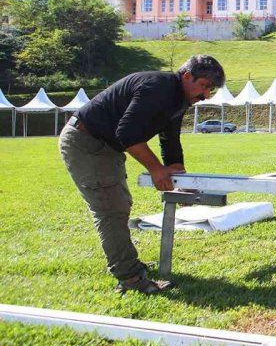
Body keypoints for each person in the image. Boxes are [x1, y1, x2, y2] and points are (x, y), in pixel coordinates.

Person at [59, 55, 225, 295]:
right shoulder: (158, 88)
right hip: (86, 141)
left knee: (120, 204)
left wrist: (183, 182)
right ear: (187, 76)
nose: (205, 96)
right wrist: (157, 170)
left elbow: (170, 141)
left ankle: (128, 264)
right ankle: (130, 277)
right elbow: (127, 133)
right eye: (204, 87)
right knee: (111, 209)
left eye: (211, 91)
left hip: (104, 144)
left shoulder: (178, 99)